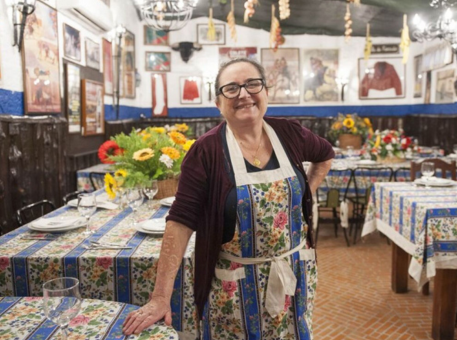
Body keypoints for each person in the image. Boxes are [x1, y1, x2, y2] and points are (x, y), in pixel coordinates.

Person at [122, 58, 334, 339]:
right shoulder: (206, 151)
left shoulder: (289, 134)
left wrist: (305, 192)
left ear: (266, 92)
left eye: (252, 84)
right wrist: (161, 297)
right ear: (218, 103)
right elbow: (180, 222)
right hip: (234, 290)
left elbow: (325, 155)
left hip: (292, 277)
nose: (244, 94)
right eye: (231, 88)